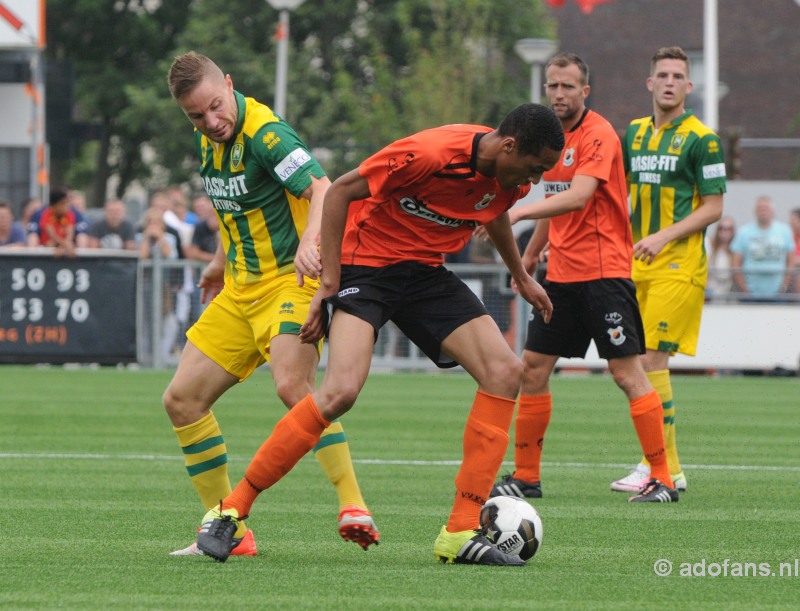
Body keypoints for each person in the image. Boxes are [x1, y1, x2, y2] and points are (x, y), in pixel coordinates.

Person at [192, 101, 565, 565]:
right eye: (533, 169)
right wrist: (328, 285)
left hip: (425, 273)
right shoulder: (430, 153)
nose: (532, 182)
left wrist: (523, 276)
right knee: (340, 392)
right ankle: (231, 511)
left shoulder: (505, 178)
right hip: (365, 267)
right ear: (508, 146)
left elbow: (492, 212)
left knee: (505, 373)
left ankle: (460, 531)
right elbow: (342, 191)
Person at [164, 51, 377, 557]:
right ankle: (228, 531)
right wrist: (219, 261)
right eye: (197, 115)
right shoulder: (206, 140)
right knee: (181, 400)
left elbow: (324, 188)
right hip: (241, 289)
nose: (212, 121)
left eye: (217, 107)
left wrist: (310, 241)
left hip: (291, 280)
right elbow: (231, 206)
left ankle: (353, 504)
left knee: (291, 384)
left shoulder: (266, 132)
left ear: (230, 84)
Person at [483, 53, 676, 504]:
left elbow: (578, 195)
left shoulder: (600, 134)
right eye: (552, 86)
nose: (559, 94)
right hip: (561, 277)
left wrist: (520, 212)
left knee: (627, 374)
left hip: (604, 274)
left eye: (568, 86)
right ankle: (527, 476)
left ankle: (663, 478)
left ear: (584, 91)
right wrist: (530, 256)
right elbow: (556, 195)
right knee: (531, 369)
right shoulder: (551, 142)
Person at [611, 46, 725, 494]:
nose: (670, 82)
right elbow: (615, 195)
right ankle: (663, 464)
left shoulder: (703, 138)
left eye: (678, 75)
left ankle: (660, 464)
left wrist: (662, 236)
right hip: (633, 265)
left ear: (689, 86)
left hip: (679, 264)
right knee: (628, 365)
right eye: (663, 74)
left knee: (650, 360)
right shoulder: (633, 135)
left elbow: (714, 207)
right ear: (650, 83)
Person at [730, 196, 795, 300]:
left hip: (778, 293)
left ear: (773, 211)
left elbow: (791, 261)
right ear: (755, 211)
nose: (763, 211)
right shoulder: (744, 232)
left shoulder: (785, 231)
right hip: (750, 294)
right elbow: (736, 263)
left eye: (766, 208)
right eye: (760, 208)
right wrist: (744, 289)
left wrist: (784, 286)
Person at [26, 188, 84, 257]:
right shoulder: (46, 214)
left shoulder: (69, 214)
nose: (66, 207)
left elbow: (69, 233)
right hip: (47, 245)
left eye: (67, 203)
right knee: (50, 243)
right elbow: (52, 235)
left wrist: (63, 247)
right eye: (63, 204)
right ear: (54, 205)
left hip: (63, 245)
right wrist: (65, 245)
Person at [706, 216, 736, 300]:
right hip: (712, 291)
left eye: (728, 229)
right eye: (721, 228)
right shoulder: (711, 248)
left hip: (729, 292)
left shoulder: (735, 251)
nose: (724, 232)